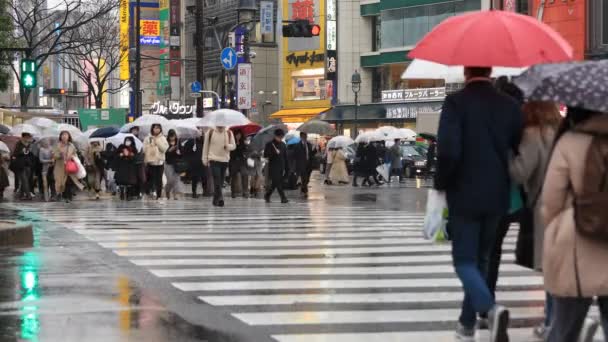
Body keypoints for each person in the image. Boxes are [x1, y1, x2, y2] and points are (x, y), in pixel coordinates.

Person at [434, 67, 523, 342]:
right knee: (482, 260)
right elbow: (517, 147)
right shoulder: (509, 106)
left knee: (464, 260)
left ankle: (489, 308)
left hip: (465, 193)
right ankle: (466, 323)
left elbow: (448, 150)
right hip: (498, 194)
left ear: (465, 71)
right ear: (490, 70)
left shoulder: (456, 103)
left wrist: (441, 183)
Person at [542, 107, 608, 342]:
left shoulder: (570, 142)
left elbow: (550, 201)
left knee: (564, 329)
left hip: (575, 247)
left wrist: (556, 229)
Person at [503, 101, 560, 338]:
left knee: (550, 269)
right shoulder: (563, 131)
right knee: (559, 266)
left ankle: (551, 322)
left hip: (544, 207)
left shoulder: (533, 134)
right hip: (565, 206)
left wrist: (507, 156)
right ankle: (554, 319)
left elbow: (520, 171)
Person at [202, 125, 235, 207]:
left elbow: (234, 146)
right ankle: (220, 198)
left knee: (220, 181)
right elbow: (205, 146)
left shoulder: (228, 132)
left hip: (224, 160)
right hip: (213, 159)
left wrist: (228, 146)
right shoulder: (210, 132)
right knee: (217, 179)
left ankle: (215, 199)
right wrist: (204, 159)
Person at [53, 131, 80, 203]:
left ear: (69, 137)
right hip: (60, 166)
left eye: (66, 135)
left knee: (69, 182)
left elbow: (75, 154)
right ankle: (61, 194)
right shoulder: (57, 145)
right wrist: (60, 155)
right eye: (63, 135)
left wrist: (72, 157)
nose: (64, 136)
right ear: (60, 137)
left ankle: (68, 197)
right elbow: (54, 155)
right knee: (61, 182)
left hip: (70, 166)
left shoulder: (71, 145)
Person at [143, 123, 169, 200]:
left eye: (158, 128)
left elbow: (164, 149)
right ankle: (149, 192)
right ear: (152, 129)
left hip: (159, 162)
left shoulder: (163, 138)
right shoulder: (148, 138)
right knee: (150, 179)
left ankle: (159, 195)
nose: (156, 129)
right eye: (155, 128)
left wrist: (157, 141)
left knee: (159, 179)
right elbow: (144, 149)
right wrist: (150, 146)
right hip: (150, 161)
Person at [264, 129, 288, 203]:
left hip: (281, 167)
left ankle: (267, 195)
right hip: (273, 167)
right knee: (278, 182)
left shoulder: (283, 144)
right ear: (275, 136)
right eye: (279, 137)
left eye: (281, 137)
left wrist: (287, 168)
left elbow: (285, 157)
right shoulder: (269, 144)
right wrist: (274, 152)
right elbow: (266, 155)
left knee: (275, 183)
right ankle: (283, 198)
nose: (280, 138)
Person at [11, 133, 36, 200]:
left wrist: (29, 151)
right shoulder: (19, 144)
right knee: (24, 180)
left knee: (26, 180)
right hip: (20, 164)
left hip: (28, 164)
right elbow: (15, 154)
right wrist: (22, 152)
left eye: (29, 137)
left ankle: (21, 194)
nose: (28, 138)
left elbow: (31, 154)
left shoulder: (29, 144)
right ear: (23, 137)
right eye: (27, 137)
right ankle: (28, 195)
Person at [183, 130, 205, 198]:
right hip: (193, 162)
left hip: (202, 161)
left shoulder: (203, 141)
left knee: (204, 177)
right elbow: (185, 151)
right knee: (195, 178)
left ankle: (205, 190)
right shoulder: (191, 141)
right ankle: (194, 192)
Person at [229, 130, 249, 199]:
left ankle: (245, 191)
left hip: (242, 161)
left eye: (240, 135)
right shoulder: (231, 142)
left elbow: (245, 152)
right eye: (237, 135)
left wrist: (245, 147)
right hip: (234, 161)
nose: (238, 136)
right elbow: (231, 153)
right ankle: (233, 192)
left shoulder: (243, 142)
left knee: (245, 174)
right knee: (234, 177)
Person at [293, 132, 314, 196]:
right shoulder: (297, 145)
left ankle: (303, 187)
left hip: (309, 163)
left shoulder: (309, 144)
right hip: (301, 164)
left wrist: (315, 149)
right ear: (301, 137)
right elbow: (295, 155)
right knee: (304, 178)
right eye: (304, 136)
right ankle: (305, 191)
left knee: (307, 179)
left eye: (306, 136)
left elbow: (311, 154)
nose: (305, 137)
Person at [164, 129, 182, 200]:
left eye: (173, 136)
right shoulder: (166, 142)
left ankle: (175, 194)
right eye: (171, 136)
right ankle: (167, 190)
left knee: (176, 179)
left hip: (177, 163)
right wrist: (169, 151)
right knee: (170, 179)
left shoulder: (178, 142)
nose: (172, 138)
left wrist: (179, 153)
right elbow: (164, 153)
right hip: (168, 163)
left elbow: (182, 152)